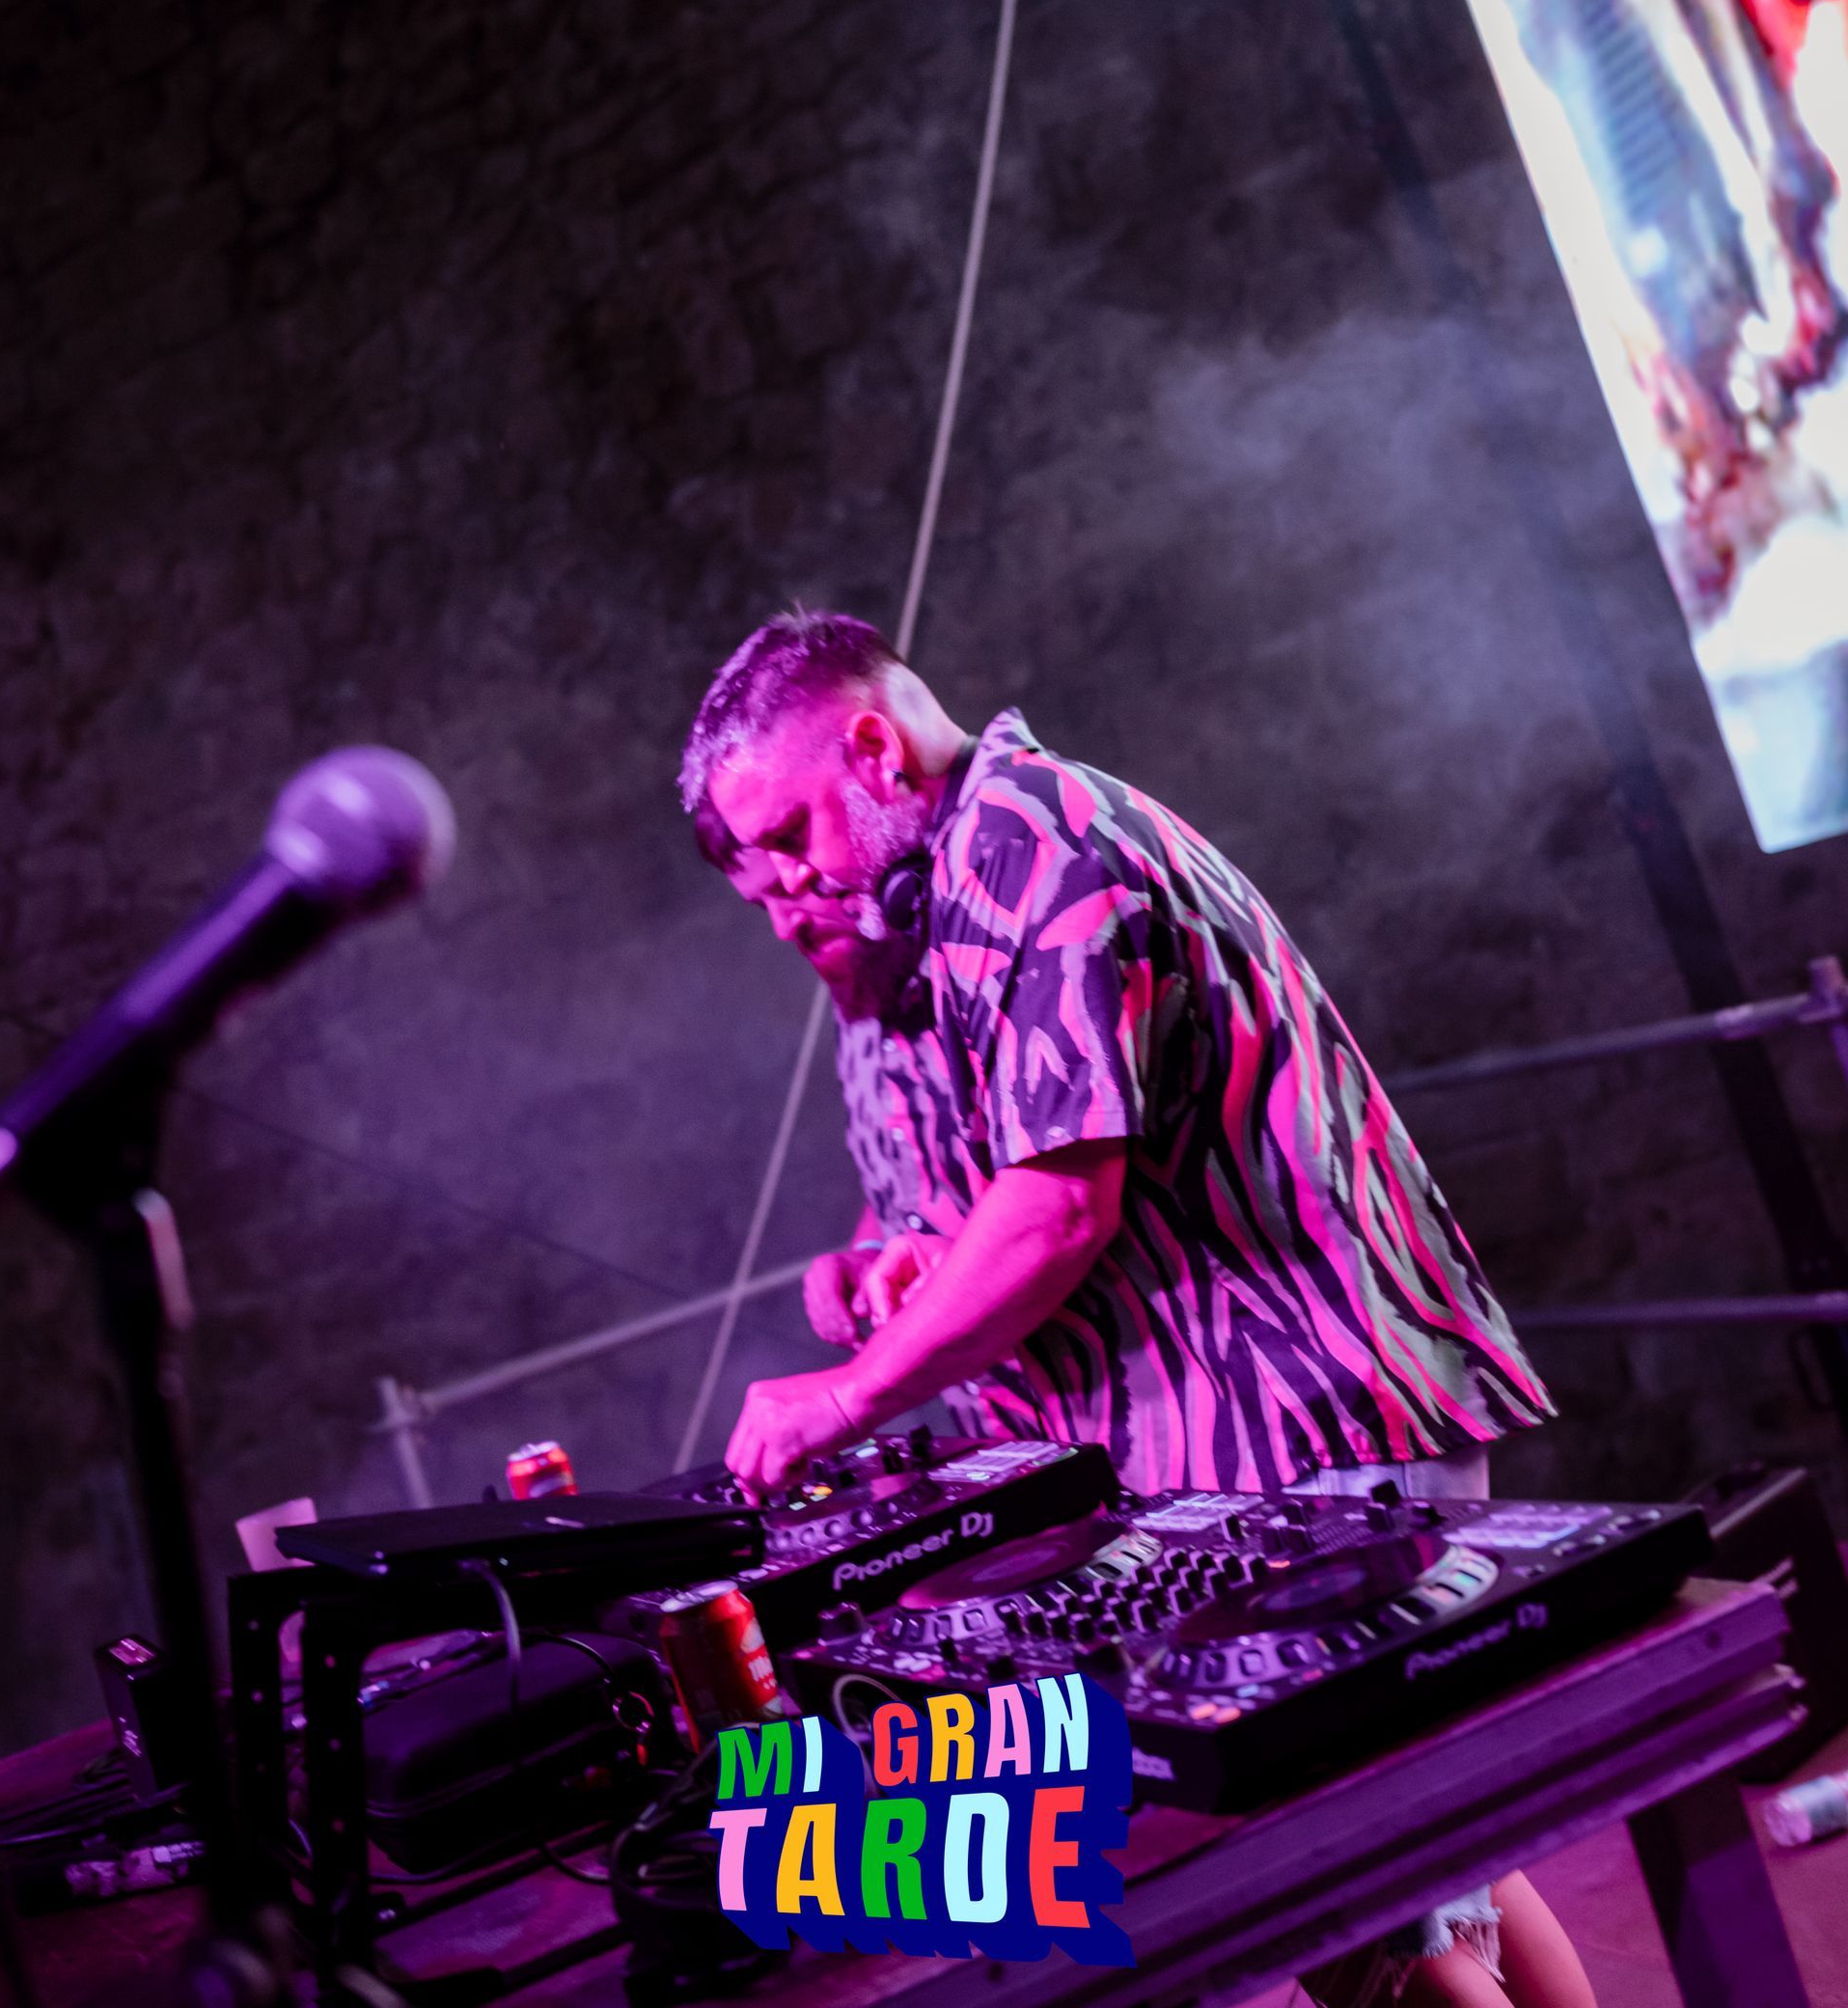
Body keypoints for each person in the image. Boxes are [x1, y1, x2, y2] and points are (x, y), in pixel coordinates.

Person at [681, 611, 1594, 2008]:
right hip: (1250, 1453)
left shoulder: (1034, 839)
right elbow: (991, 1201)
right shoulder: (954, 895)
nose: (791, 886)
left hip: (1305, 1430)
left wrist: (846, 1396)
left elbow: (1057, 1209)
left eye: (793, 835)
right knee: (1437, 1866)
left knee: (1365, 1924)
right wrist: (897, 1264)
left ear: (871, 745)